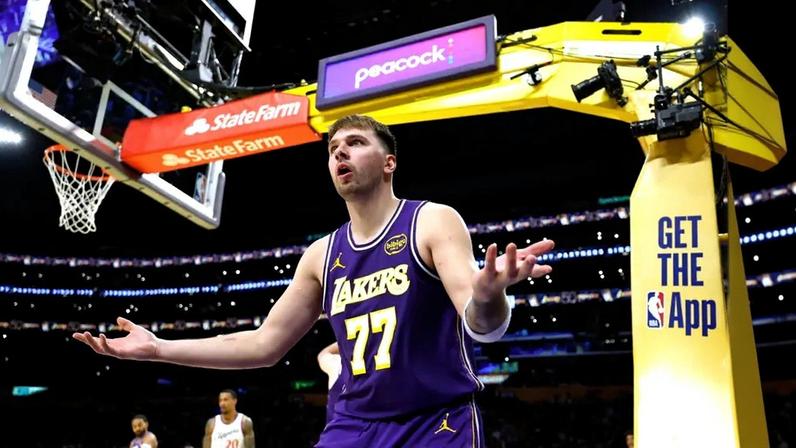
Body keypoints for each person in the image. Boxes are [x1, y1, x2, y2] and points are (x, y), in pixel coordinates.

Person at [74, 114, 555, 447]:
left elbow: (483, 325)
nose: (341, 152)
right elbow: (263, 345)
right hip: (351, 424)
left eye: (357, 143)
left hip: (433, 421)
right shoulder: (321, 255)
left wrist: (491, 296)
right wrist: (160, 349)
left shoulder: (431, 221)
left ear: (389, 163)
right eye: (333, 148)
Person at [317, 342, 343, 424]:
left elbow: (323, 354)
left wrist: (349, 339)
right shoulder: (382, 374)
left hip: (337, 435)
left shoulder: (337, 364)